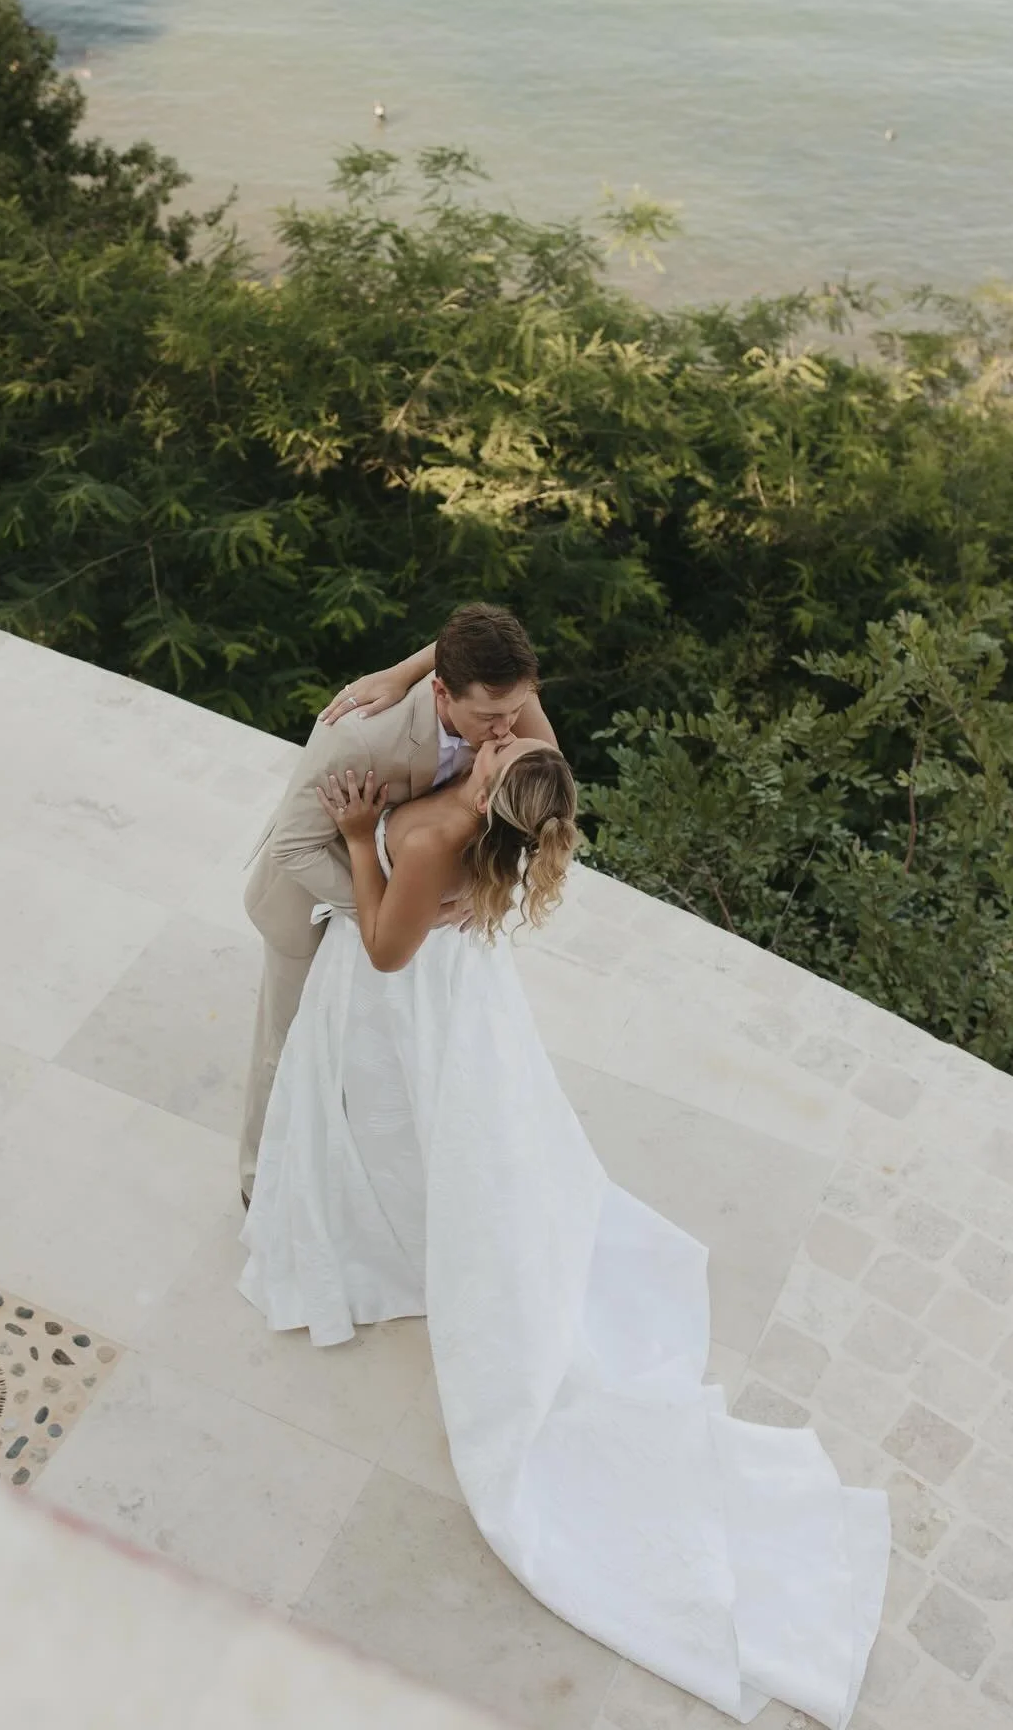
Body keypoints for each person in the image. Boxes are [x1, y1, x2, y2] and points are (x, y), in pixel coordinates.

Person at [238, 663, 890, 1730]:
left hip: (395, 992)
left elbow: (390, 949)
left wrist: (363, 843)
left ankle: (387, 1236)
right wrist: (409, 679)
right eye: (497, 726)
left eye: (502, 742)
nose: (504, 734)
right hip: (461, 995)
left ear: (493, 781)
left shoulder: (446, 832)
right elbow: (520, 712)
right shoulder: (513, 810)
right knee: (431, 1125)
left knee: (390, 1122)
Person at [238, 603, 556, 1205]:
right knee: (291, 1047)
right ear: (442, 694)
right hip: (315, 908)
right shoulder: (357, 735)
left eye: (516, 710)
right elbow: (294, 846)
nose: (508, 729)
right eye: (491, 716)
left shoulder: (508, 701)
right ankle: (264, 1181)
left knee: (389, 1058)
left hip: (414, 922)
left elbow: (539, 801)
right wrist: (386, 905)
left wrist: (495, 883)